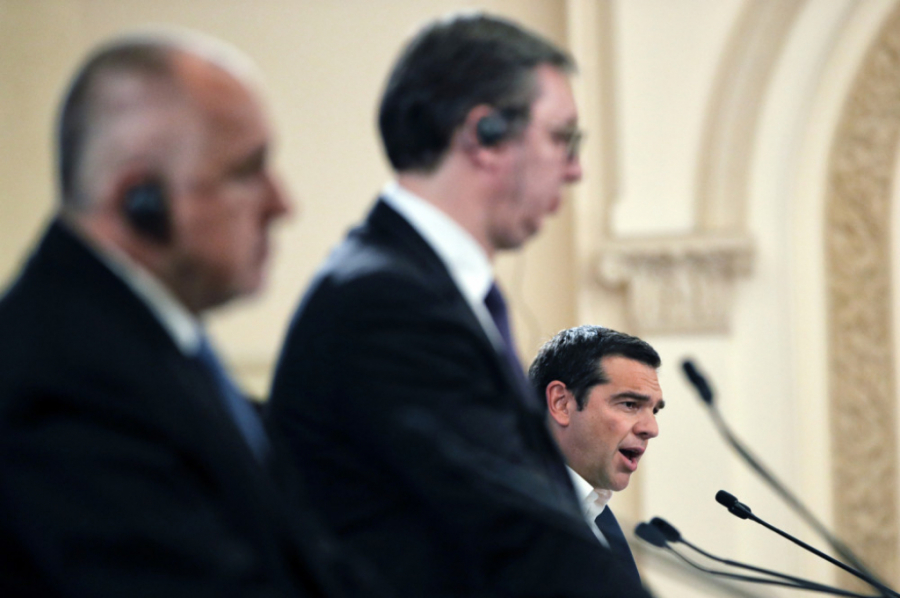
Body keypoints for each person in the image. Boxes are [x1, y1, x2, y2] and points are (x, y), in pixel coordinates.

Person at [268, 12, 649, 598]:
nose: (575, 170)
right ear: (485, 135)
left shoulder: (420, 287)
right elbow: (521, 538)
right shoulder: (387, 304)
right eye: (562, 138)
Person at [0, 31, 374, 597]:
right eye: (247, 171)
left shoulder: (150, 342)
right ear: (139, 199)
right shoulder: (63, 378)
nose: (282, 204)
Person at [529, 325, 665, 586]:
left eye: (654, 410)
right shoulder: (510, 512)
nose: (651, 428)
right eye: (630, 404)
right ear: (561, 403)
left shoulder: (598, 516)